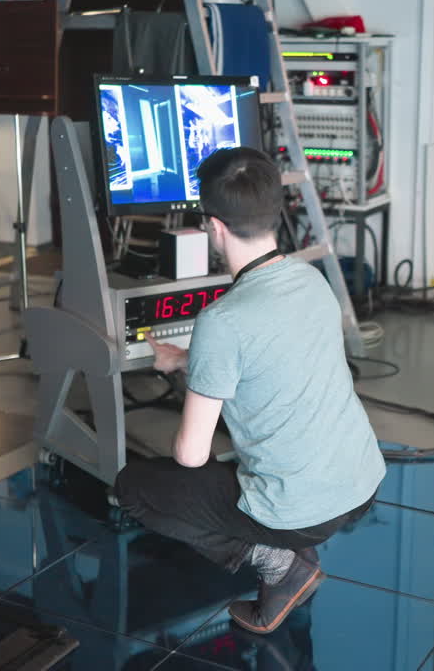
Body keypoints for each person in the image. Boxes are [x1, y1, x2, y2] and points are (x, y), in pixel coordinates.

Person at [114, 146, 386, 635]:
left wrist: (194, 372)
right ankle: (295, 542)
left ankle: (282, 565)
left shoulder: (222, 319)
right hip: (360, 482)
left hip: (302, 509)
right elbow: (274, 358)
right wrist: (184, 362)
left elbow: (191, 456)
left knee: (134, 488)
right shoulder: (312, 278)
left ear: (213, 227)